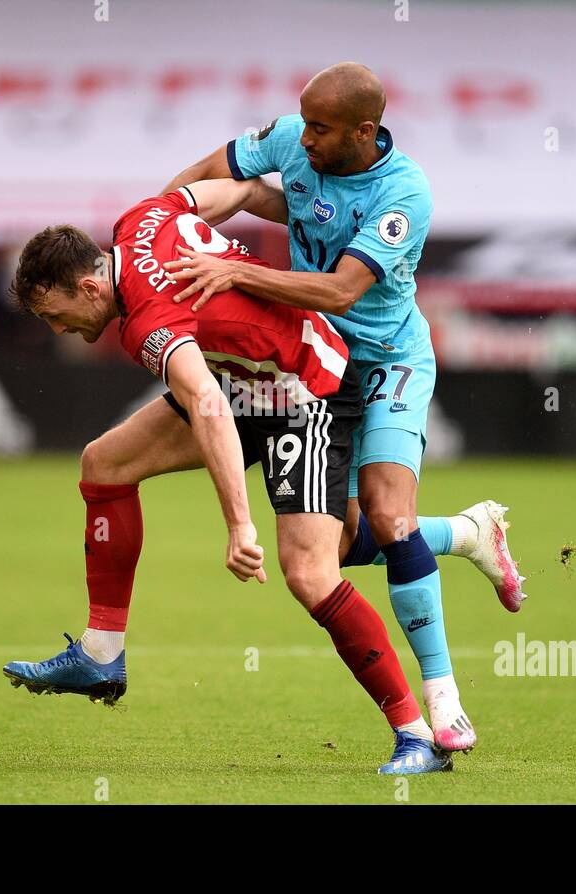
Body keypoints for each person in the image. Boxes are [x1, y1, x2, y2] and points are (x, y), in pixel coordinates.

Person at [2, 178, 453, 773]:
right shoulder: (139, 217)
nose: (58, 330)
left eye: (55, 316)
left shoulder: (147, 321)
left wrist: (240, 526)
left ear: (89, 287)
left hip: (304, 392)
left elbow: (208, 404)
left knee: (310, 573)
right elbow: (232, 191)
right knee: (104, 464)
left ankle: (417, 738)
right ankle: (101, 653)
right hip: (246, 384)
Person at [161, 62, 525, 752]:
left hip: (386, 362)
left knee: (389, 517)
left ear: (365, 130)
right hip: (316, 365)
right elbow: (218, 166)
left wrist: (235, 269)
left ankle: (443, 703)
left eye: (321, 131)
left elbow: (338, 292)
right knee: (335, 546)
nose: (305, 145)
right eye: (304, 126)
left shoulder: (404, 192)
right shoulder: (299, 135)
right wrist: (156, 221)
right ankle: (470, 534)